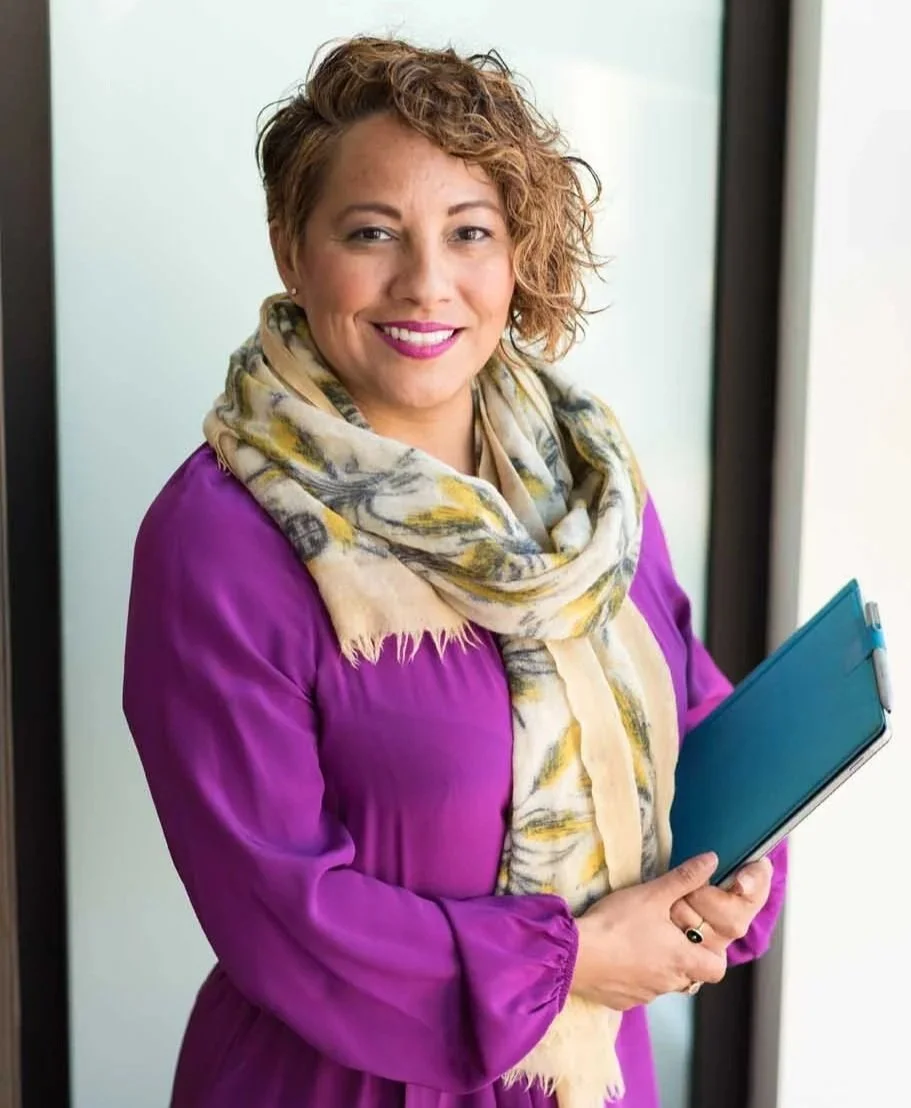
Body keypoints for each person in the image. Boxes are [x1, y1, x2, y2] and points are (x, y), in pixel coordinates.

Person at [123, 36, 787, 1108]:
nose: (425, 283)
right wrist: (567, 961)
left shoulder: (587, 480)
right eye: (371, 233)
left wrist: (733, 870)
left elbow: (685, 713)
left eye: (467, 231)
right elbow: (279, 908)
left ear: (515, 251)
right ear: (293, 250)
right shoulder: (222, 538)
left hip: (587, 1077)